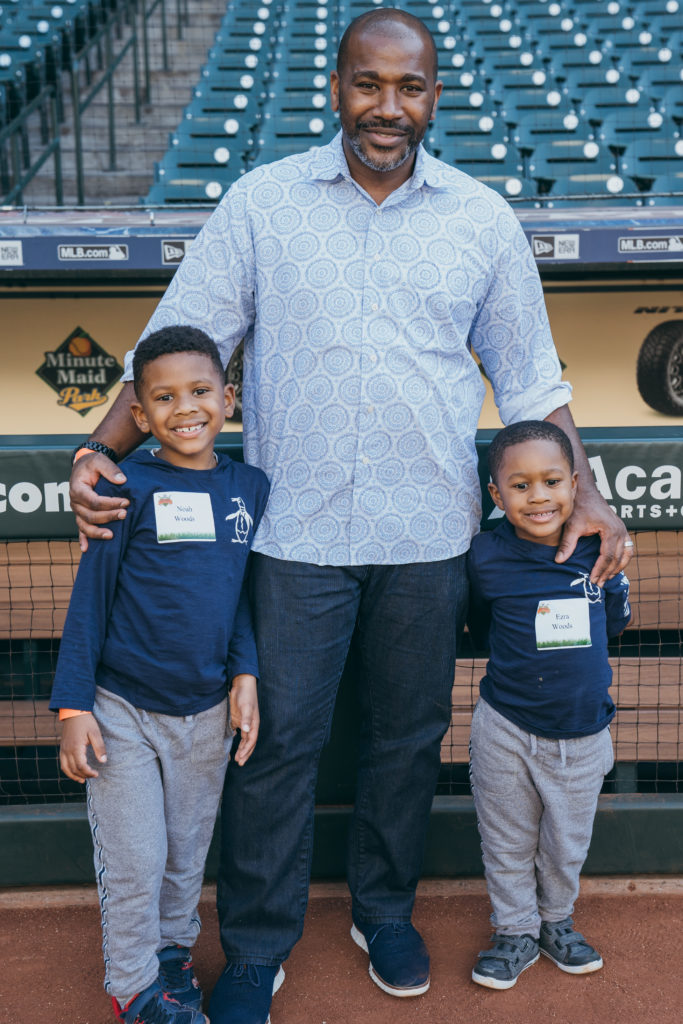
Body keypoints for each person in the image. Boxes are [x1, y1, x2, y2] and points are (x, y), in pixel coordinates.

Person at [68, 10, 632, 1024]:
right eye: (366, 84)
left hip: (428, 535)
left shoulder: (481, 219)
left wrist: (585, 490)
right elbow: (172, 343)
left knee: (407, 738)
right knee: (276, 743)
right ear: (334, 87)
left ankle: (383, 909)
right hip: (296, 536)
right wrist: (96, 451)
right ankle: (255, 944)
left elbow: (531, 382)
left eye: (406, 87)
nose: (386, 106)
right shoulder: (261, 202)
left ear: (432, 97)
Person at [51, 326, 270, 1024]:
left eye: (200, 391)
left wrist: (245, 671)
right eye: (164, 398)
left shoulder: (248, 487)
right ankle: (134, 986)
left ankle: (172, 956)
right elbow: (90, 602)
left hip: (205, 712)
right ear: (140, 415)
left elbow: (238, 596)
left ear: (227, 399)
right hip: (123, 708)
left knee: (184, 856)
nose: (186, 409)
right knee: (137, 858)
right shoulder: (127, 482)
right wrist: (72, 706)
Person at [467, 420, 631, 990]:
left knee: (566, 843)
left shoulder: (598, 548)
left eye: (552, 481)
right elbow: (481, 624)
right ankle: (514, 930)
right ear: (497, 495)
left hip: (583, 732)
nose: (538, 496)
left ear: (575, 483)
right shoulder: (484, 556)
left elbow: (614, 619)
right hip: (505, 725)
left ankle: (555, 922)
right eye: (521, 485)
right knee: (506, 837)